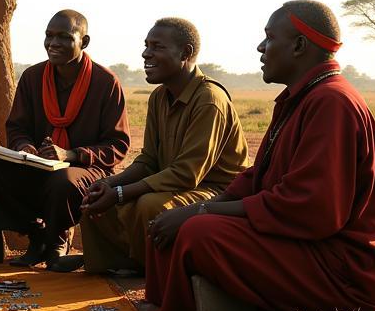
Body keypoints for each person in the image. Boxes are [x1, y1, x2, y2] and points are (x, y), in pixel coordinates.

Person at [144, 0, 375, 311]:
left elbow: (312, 209)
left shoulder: (331, 102)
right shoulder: (303, 97)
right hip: (311, 247)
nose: (260, 47)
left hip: (349, 271)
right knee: (175, 223)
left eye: (269, 38)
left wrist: (205, 209)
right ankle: (236, 300)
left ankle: (247, 305)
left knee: (200, 233)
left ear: (299, 45)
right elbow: (261, 176)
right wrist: (195, 208)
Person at [63, 17, 248, 274]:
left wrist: (120, 193)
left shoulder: (209, 100)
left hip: (214, 191)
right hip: (170, 183)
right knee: (96, 198)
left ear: (186, 53)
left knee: (149, 205)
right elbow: (148, 160)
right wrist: (110, 185)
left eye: (157, 47)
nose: (145, 53)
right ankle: (114, 262)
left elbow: (187, 173)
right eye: (146, 45)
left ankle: (148, 268)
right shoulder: (159, 96)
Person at [0, 10, 130, 267]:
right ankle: (36, 235)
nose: (53, 43)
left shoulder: (106, 83)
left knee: (63, 179)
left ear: (84, 41)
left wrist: (70, 155)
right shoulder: (33, 77)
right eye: (49, 36)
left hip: (85, 169)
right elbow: (17, 127)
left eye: (64, 37)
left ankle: (56, 241)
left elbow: (118, 145)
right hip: (38, 165)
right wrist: (25, 147)